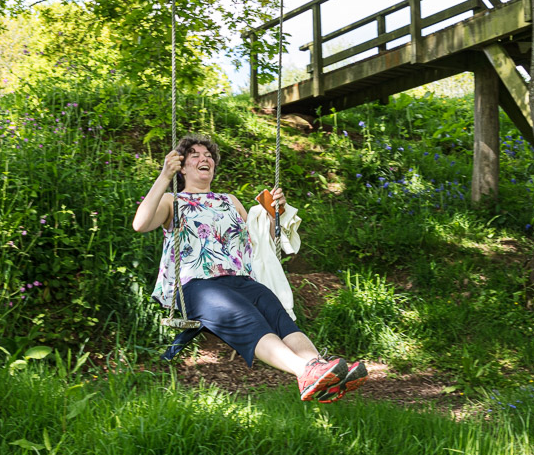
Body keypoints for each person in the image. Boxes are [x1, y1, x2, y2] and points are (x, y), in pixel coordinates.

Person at [133, 134, 367, 402]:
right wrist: (164, 176)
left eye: (208, 155)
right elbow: (140, 224)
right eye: (195, 155)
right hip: (195, 285)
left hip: (240, 280)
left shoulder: (229, 200)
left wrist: (273, 214)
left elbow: (257, 239)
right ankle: (305, 371)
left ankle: (323, 371)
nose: (204, 158)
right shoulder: (171, 200)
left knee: (276, 312)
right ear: (182, 167)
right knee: (245, 315)